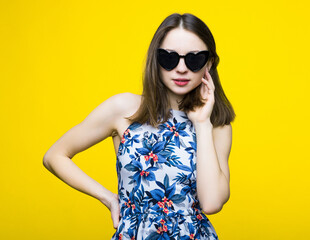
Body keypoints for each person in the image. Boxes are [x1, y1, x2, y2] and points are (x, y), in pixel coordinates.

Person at [43, 12, 235, 240]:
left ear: (209, 63)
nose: (181, 68)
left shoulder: (217, 126)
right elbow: (54, 156)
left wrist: (202, 123)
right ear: (156, 59)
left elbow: (212, 203)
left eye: (193, 59)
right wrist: (108, 197)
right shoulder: (124, 109)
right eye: (170, 58)